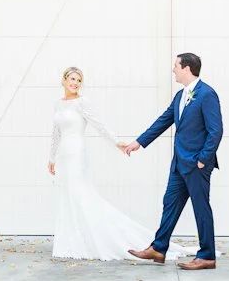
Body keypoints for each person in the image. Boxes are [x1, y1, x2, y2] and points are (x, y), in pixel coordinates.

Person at [48, 66, 188, 261]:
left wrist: (116, 142)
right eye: (72, 79)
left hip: (77, 152)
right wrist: (52, 158)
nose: (75, 83)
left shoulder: (82, 102)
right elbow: (56, 132)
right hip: (64, 153)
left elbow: (98, 124)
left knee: (80, 193)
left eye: (79, 80)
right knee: (68, 194)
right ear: (64, 80)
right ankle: (72, 239)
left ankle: (95, 239)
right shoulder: (58, 104)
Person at [124, 53, 223, 270]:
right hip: (179, 163)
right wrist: (139, 142)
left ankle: (207, 256)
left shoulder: (207, 94)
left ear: (186, 68)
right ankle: (158, 248)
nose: (173, 70)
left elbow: (215, 131)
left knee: (201, 209)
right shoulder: (180, 95)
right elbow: (163, 121)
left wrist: (203, 159)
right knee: (170, 203)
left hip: (196, 164)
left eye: (176, 66)